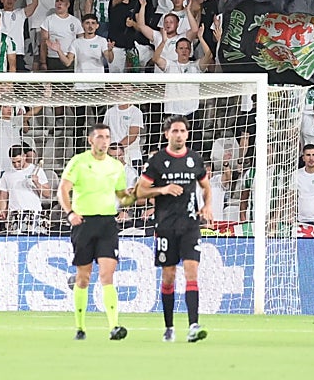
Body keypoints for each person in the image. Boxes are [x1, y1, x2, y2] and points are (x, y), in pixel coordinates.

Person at [134, 115, 212, 343]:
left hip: (189, 225)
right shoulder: (157, 161)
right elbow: (139, 192)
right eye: (175, 131)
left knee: (191, 271)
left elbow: (206, 186)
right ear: (167, 134)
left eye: (182, 131)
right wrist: (163, 189)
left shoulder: (195, 159)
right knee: (169, 276)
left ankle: (193, 325)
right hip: (166, 226)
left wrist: (207, 206)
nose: (179, 135)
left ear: (187, 134)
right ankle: (169, 327)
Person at [58, 122, 134, 341]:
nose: (104, 140)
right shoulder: (79, 162)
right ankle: (80, 327)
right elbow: (63, 189)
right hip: (84, 223)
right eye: (99, 136)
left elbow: (122, 196)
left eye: (107, 137)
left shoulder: (116, 166)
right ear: (91, 140)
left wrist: (137, 194)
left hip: (107, 224)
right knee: (83, 277)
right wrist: (70, 213)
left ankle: (114, 326)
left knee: (107, 275)